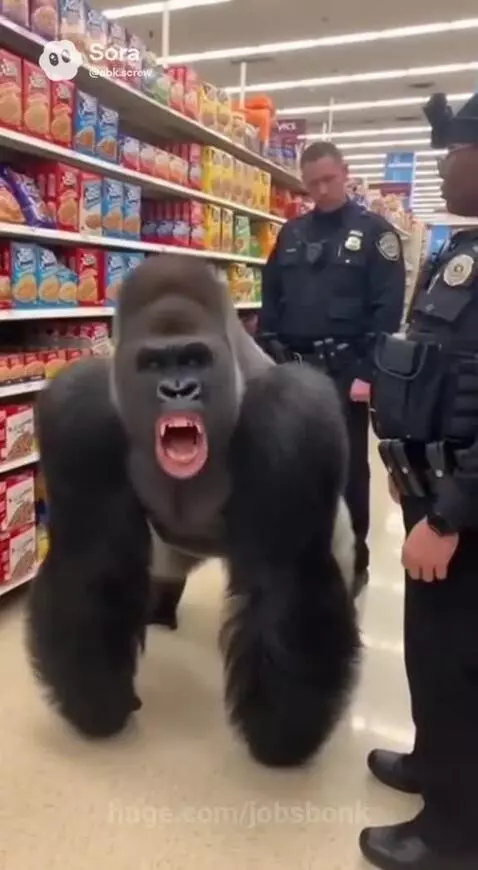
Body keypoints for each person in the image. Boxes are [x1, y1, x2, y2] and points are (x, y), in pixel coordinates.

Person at [361, 91, 478, 870]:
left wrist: (452, 514)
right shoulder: (460, 250)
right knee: (431, 653)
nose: (442, 165)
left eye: (456, 150)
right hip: (429, 489)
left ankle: (455, 833)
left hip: (462, 510)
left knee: (462, 666)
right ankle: (435, 763)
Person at [258, 141, 406, 596]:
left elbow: (387, 309)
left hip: (345, 372)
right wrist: (270, 349)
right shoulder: (291, 234)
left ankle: (353, 560)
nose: (321, 190)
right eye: (312, 183)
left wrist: (368, 371)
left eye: (329, 179)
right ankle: (302, 554)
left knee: (346, 471)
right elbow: (271, 295)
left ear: (345, 173)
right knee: (293, 465)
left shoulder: (376, 234)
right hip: (293, 370)